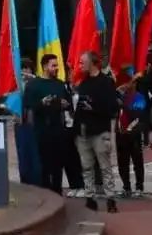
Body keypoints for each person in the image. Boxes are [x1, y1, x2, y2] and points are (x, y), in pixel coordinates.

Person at [72, 52, 120, 213]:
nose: (80, 65)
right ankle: (90, 197)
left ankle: (110, 199)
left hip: (99, 131)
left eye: (82, 62)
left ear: (92, 63)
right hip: (83, 132)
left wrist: (94, 108)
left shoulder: (106, 82)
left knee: (105, 166)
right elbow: (78, 108)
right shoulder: (83, 83)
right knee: (86, 167)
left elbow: (112, 107)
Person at [22, 53, 72, 195]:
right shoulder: (33, 85)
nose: (56, 68)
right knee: (44, 163)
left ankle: (57, 191)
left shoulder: (60, 84)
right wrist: (42, 103)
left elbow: (68, 104)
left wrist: (65, 104)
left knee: (58, 164)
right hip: (41, 129)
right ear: (45, 66)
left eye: (57, 65)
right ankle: (45, 192)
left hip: (58, 129)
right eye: (53, 65)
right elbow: (28, 107)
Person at [115, 77, 145, 197]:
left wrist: (123, 104)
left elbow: (138, 114)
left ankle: (139, 186)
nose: (127, 84)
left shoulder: (139, 97)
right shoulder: (120, 96)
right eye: (126, 81)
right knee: (122, 162)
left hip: (134, 134)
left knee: (137, 161)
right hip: (121, 134)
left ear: (135, 83)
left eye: (130, 82)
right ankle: (126, 186)